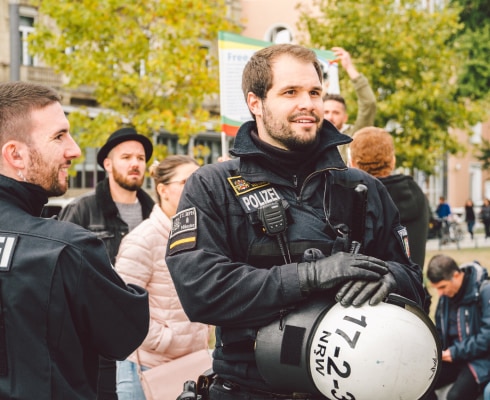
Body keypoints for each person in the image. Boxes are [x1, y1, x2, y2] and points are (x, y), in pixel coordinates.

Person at [166, 43, 425, 399]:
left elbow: (414, 281)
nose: (308, 103)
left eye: (314, 92)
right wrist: (309, 276)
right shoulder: (213, 186)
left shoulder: (365, 187)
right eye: (290, 92)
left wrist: (389, 277)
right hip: (250, 388)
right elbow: (201, 291)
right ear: (255, 102)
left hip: (357, 385)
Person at [0, 81, 149, 399]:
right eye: (58, 136)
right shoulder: (68, 247)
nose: (75, 150)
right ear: (16, 155)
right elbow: (124, 334)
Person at [59, 126, 155, 399]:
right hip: (96, 346)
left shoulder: (155, 215)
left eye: (140, 158)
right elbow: (60, 273)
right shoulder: (82, 209)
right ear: (107, 164)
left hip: (148, 344)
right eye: (126, 157)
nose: (135, 163)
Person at [114, 155, 210, 399]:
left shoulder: (200, 235)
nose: (196, 189)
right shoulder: (142, 240)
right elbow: (122, 308)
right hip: (146, 367)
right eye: (187, 182)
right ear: (163, 190)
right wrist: (166, 340)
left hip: (193, 361)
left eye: (199, 181)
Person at [349, 126, 431, 313]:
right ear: (392, 161)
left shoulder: (356, 200)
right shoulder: (415, 194)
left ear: (353, 163)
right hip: (413, 299)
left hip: (365, 308)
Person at [425, 255, 490, 400]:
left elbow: (487, 338)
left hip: (480, 360)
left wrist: (454, 353)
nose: (440, 293)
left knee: (455, 396)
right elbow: (440, 333)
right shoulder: (445, 299)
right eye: (437, 289)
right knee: (421, 382)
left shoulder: (485, 291)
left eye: (442, 287)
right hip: (453, 357)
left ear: (456, 275)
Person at [323, 47, 376, 163]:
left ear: (345, 117)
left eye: (335, 112)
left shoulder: (354, 136)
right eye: (326, 112)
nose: (330, 117)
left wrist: (349, 68)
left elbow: (369, 104)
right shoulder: (309, 136)